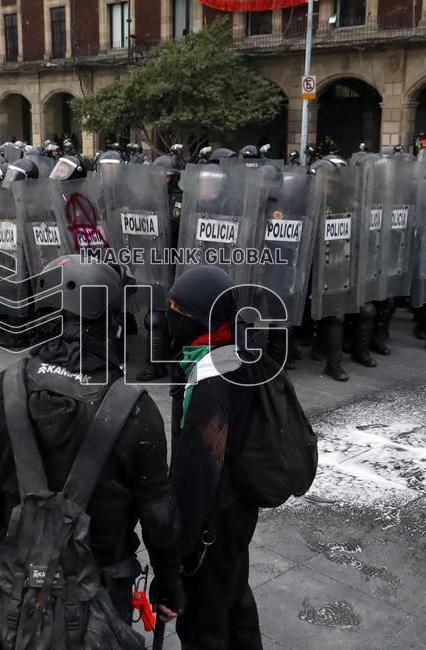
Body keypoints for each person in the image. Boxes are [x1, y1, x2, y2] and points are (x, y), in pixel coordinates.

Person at [0, 254, 184, 629]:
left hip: (18, 588)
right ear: (113, 322)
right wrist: (169, 583)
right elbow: (157, 517)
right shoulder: (136, 411)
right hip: (100, 595)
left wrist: (12, 532)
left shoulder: (5, 386)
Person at [167, 265, 263, 648]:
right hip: (237, 512)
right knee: (235, 600)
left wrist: (179, 547)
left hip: (213, 523)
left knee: (202, 624)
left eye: (179, 309)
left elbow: (198, 473)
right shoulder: (234, 352)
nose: (169, 313)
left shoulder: (209, 379)